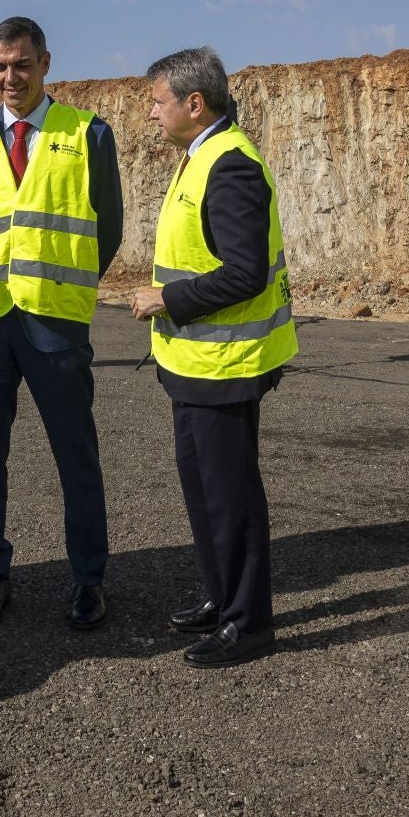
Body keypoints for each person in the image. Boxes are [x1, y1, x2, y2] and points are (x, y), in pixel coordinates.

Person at [0, 17, 122, 630]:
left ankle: (88, 579)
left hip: (54, 322)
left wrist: (65, 287)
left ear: (45, 63)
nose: (10, 77)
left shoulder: (88, 133)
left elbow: (108, 229)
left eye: (21, 64)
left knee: (76, 454)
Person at [130, 47, 296, 669]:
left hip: (226, 367)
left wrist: (166, 299)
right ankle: (222, 597)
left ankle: (248, 624)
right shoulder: (201, 157)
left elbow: (246, 274)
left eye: (157, 101)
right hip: (195, 366)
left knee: (231, 498)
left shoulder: (230, 166)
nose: (151, 114)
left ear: (193, 104)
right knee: (204, 492)